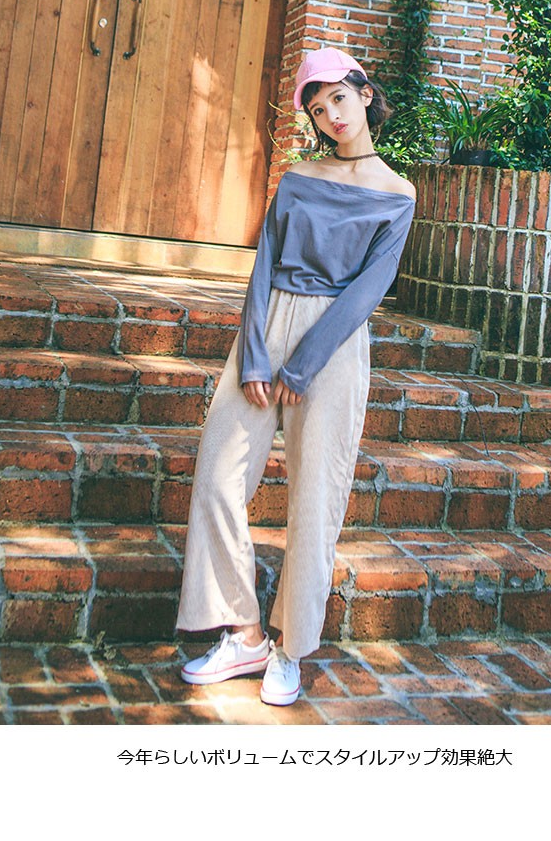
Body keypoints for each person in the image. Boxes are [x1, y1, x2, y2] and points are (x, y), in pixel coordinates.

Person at [175, 46, 416, 706]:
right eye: (317, 108)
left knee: (316, 498)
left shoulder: (398, 194)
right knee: (219, 472)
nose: (331, 114)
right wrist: (256, 354)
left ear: (364, 94)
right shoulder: (299, 178)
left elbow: (367, 291)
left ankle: (290, 649)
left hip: (333, 344)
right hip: (270, 320)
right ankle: (245, 630)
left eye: (338, 97)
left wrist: (303, 365)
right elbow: (265, 263)